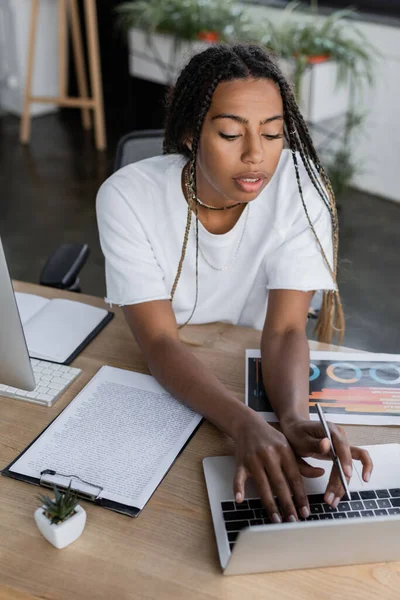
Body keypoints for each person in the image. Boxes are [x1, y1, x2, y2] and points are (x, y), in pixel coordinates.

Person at [96, 43, 372, 523]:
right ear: (189, 132)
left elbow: (286, 330)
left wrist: (292, 418)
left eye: (272, 134)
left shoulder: (301, 191)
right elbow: (159, 340)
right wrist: (243, 422)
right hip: (177, 385)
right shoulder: (126, 198)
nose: (255, 156)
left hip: (247, 368)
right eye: (230, 133)